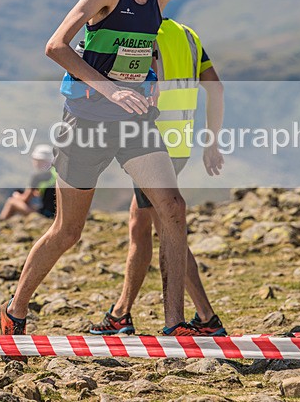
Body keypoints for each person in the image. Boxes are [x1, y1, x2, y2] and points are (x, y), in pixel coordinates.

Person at [1, 0, 212, 341]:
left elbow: (144, 42)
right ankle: (15, 309)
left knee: (173, 208)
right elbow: (56, 46)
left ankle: (174, 324)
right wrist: (110, 89)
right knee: (68, 231)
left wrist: (150, 77)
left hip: (134, 122)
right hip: (87, 121)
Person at [89, 18, 226, 336]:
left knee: (167, 230)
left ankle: (205, 317)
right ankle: (121, 312)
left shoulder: (141, 33)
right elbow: (216, 88)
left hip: (150, 146)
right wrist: (212, 142)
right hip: (180, 143)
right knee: (140, 225)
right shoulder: (188, 35)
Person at [0, 144, 57, 220]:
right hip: (58, 214)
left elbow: (25, 199)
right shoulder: (57, 173)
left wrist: (17, 196)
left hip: (47, 215)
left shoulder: (38, 176)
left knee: (11, 202)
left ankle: (0, 222)